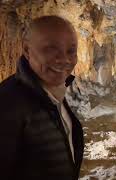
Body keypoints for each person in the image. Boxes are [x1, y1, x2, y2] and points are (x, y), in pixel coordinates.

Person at [0, 15, 84, 180]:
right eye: (51, 49)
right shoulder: (7, 103)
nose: (64, 59)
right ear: (26, 50)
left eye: (71, 51)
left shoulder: (54, 92)